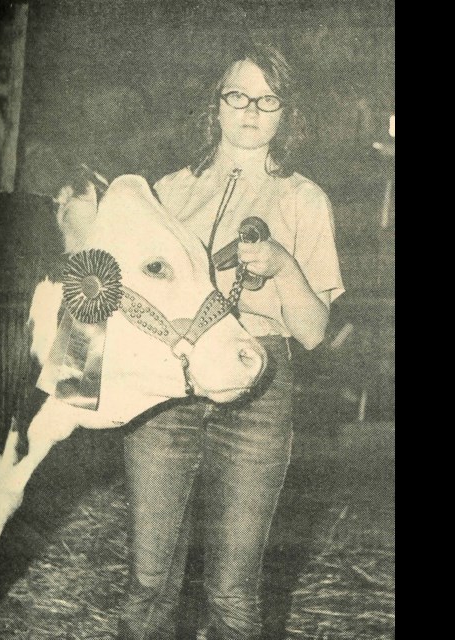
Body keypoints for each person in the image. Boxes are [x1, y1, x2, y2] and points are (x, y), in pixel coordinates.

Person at [119, 43, 345, 639]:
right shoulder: (164, 192)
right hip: (169, 390)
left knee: (233, 589)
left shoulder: (304, 198)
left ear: (286, 114)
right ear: (214, 106)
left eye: (267, 100)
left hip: (260, 393)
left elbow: (316, 332)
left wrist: (282, 265)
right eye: (237, 96)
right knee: (149, 578)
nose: (250, 111)